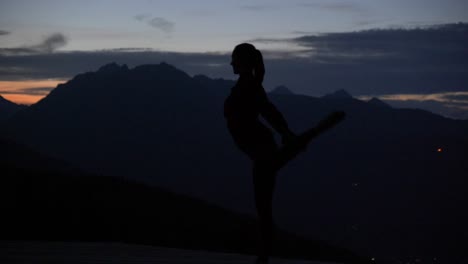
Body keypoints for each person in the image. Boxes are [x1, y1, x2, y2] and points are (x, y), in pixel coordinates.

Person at [224, 43, 298, 263]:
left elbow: (268, 111)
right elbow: (267, 110)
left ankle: (265, 255)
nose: (231, 63)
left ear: (243, 62)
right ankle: (264, 253)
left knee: (263, 205)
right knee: (263, 204)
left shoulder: (250, 86)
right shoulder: (249, 84)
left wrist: (285, 131)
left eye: (234, 59)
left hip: (262, 150)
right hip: (260, 149)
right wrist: (285, 132)